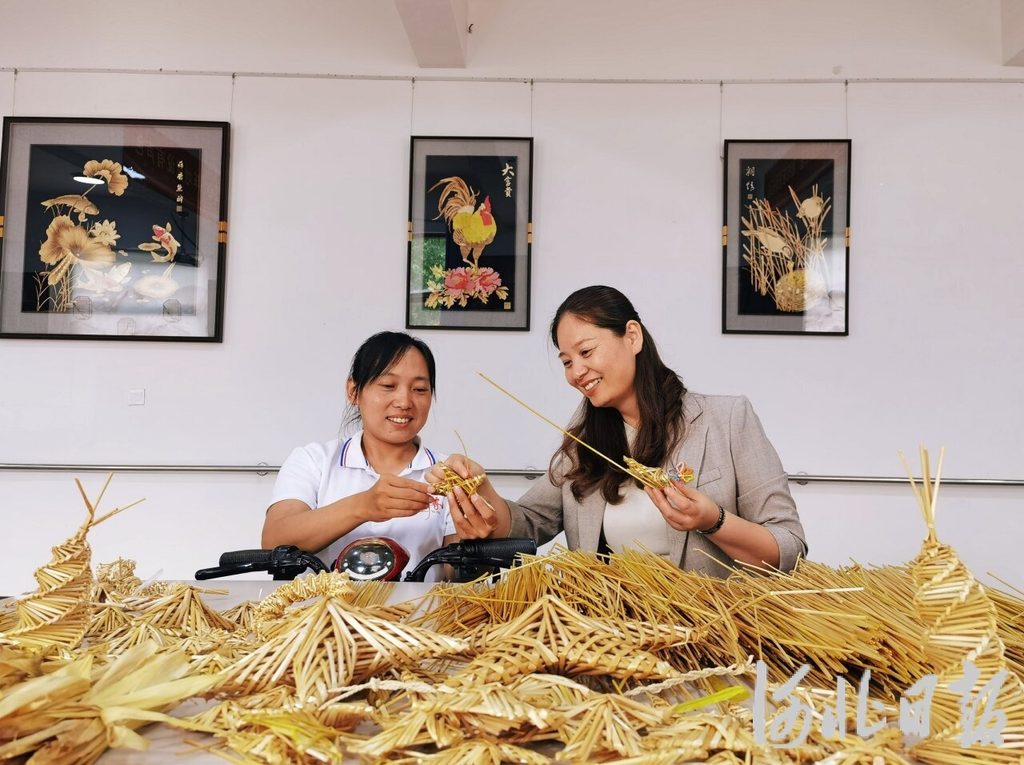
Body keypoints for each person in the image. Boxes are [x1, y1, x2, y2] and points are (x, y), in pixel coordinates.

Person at [428, 285, 807, 576]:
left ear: (632, 336)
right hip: (610, 636)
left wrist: (713, 520)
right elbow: (529, 523)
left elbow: (789, 548)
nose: (576, 372)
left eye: (586, 352)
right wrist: (481, 490)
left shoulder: (726, 419)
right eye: (566, 361)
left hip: (710, 633)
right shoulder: (582, 443)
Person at [262, 331, 456, 581]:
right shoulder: (314, 460)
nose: (404, 402)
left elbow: (457, 573)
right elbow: (274, 538)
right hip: (324, 607)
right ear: (353, 391)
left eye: (419, 389)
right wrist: (364, 506)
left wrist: (477, 532)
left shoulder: (447, 474)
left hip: (421, 607)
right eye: (388, 386)